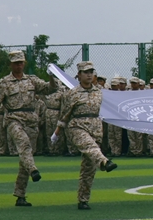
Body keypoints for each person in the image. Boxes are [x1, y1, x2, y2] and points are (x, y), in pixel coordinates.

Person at [0, 50, 60, 206]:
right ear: (11, 64)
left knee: (25, 157)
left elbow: (50, 89)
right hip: (13, 119)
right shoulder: (5, 83)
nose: (19, 66)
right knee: (23, 145)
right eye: (16, 63)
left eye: (21, 63)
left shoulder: (32, 80)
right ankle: (34, 170)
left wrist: (51, 76)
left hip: (31, 120)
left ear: (24, 63)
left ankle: (20, 195)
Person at [50, 62, 117, 209]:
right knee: (89, 146)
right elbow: (64, 115)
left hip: (95, 128)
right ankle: (104, 162)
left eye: (91, 72)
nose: (89, 75)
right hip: (77, 127)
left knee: (88, 168)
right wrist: (57, 132)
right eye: (85, 72)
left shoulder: (99, 91)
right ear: (79, 75)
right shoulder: (72, 93)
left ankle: (83, 200)